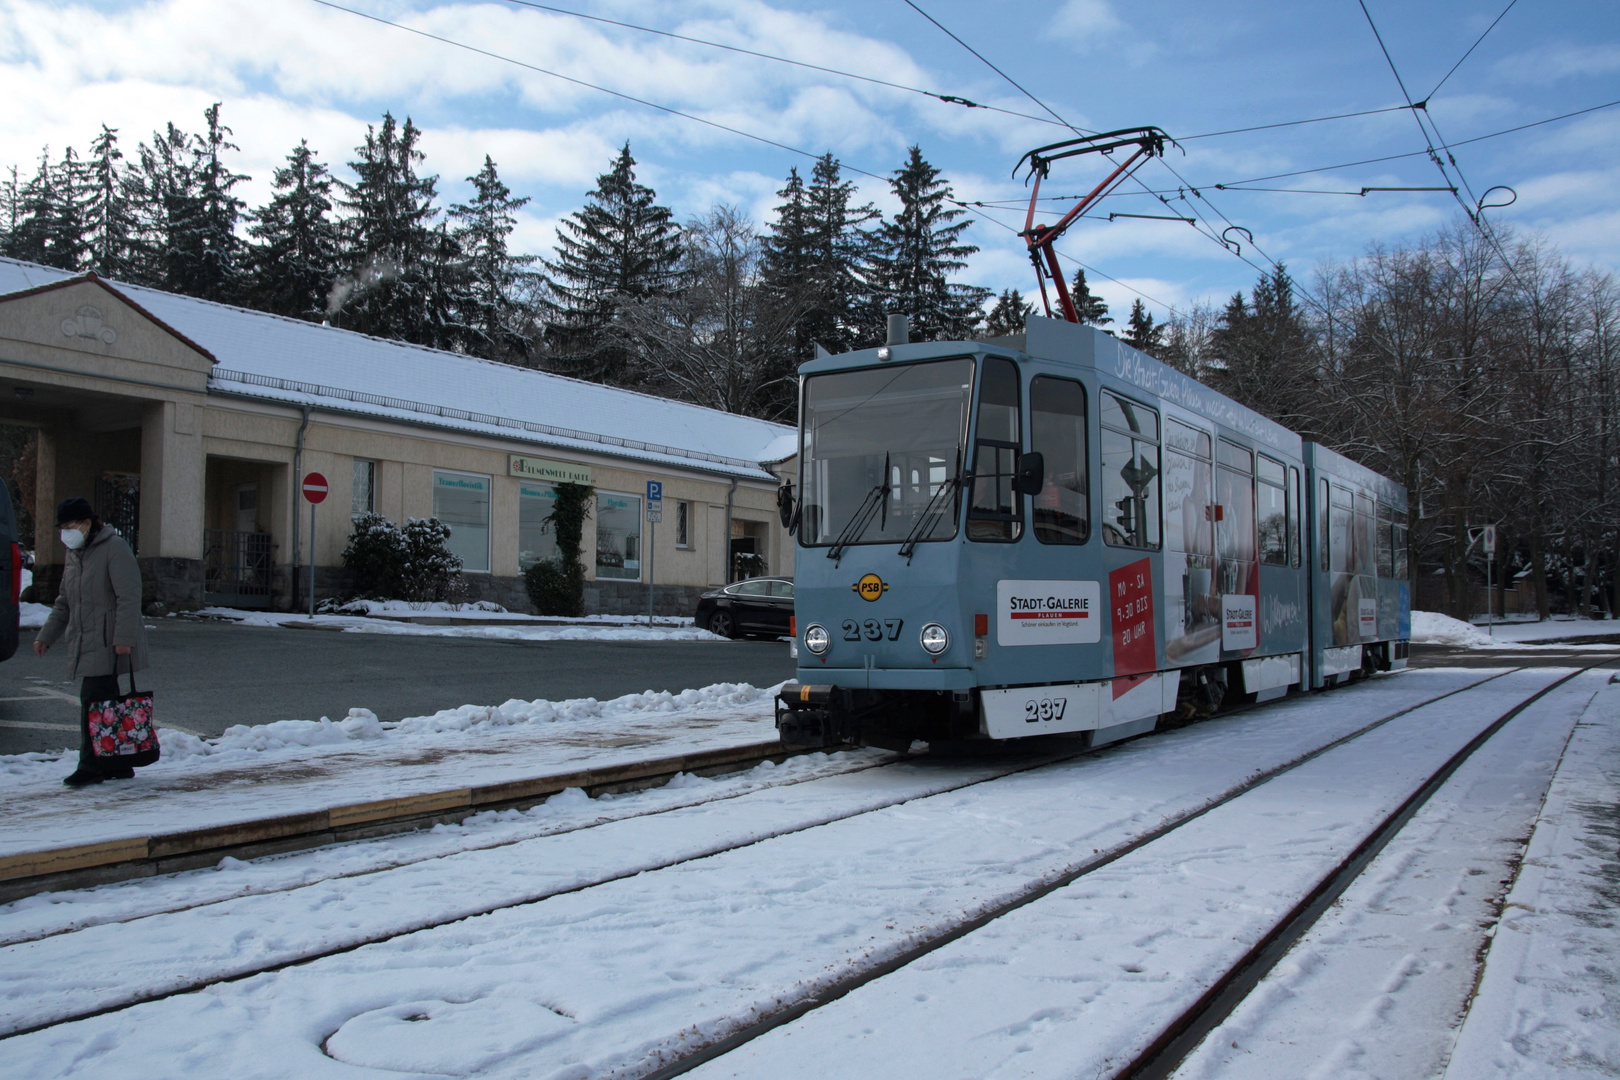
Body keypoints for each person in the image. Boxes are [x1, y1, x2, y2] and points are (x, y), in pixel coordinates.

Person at [33, 496, 150, 787]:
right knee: (105, 704)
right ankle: (117, 764)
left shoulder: (114, 548)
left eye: (70, 525)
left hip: (109, 642)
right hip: (87, 641)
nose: (66, 532)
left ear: (87, 523)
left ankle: (90, 766)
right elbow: (64, 602)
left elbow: (129, 596)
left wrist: (124, 638)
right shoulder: (75, 555)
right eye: (62, 527)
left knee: (93, 702)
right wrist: (46, 636)